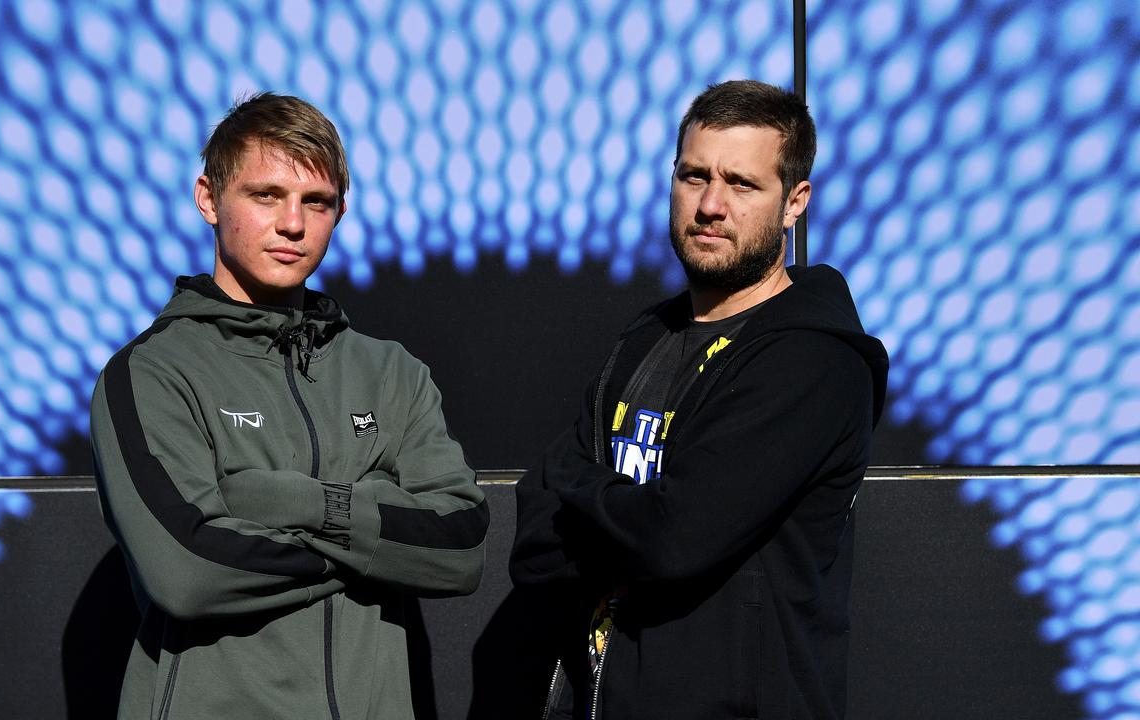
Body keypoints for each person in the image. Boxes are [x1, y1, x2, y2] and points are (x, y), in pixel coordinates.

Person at [90, 92, 488, 720]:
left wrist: (288, 502)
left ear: (340, 212)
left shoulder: (391, 372)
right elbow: (188, 572)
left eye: (316, 202)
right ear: (207, 198)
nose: (293, 224)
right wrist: (379, 539)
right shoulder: (151, 373)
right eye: (266, 195)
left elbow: (460, 549)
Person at [509, 80, 889, 719]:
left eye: (742, 183)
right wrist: (624, 514)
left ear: (795, 202)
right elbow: (532, 542)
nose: (711, 204)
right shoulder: (643, 339)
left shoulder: (814, 361)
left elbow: (674, 539)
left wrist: (581, 491)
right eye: (693, 176)